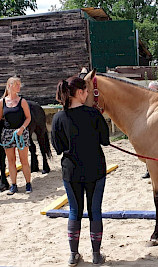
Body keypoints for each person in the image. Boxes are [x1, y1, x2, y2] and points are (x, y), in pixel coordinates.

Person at [51, 76, 110, 266]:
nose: (87, 95)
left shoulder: (58, 118)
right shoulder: (94, 115)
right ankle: (96, 254)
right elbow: (105, 140)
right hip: (96, 170)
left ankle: (73, 254)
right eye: (85, 91)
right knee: (95, 211)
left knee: (74, 212)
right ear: (79, 93)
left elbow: (58, 148)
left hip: (71, 172)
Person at [0, 76, 32, 195]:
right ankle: (14, 185)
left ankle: (28, 184)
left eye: (19, 84)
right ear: (10, 86)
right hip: (8, 134)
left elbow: (28, 118)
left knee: (24, 160)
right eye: (17, 85)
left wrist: (22, 128)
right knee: (11, 161)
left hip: (21, 133)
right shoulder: (2, 102)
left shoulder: (22, 101)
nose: (19, 87)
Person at [141, 80, 158, 179]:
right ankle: (149, 170)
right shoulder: (145, 101)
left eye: (152, 89)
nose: (150, 91)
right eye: (149, 89)